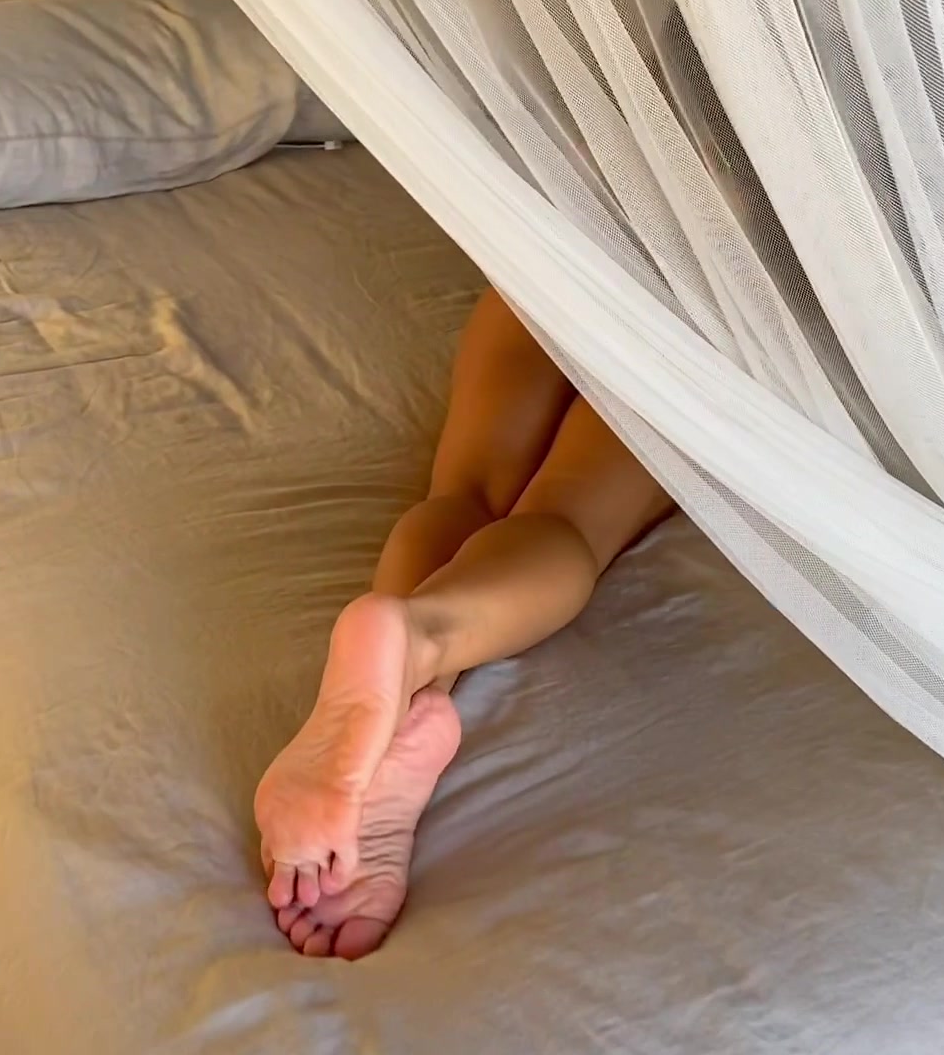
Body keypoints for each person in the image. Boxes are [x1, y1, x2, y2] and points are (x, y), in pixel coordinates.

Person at [254, 285, 674, 960]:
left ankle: (411, 663)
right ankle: (416, 642)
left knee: (466, 492)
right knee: (569, 516)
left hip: (549, 252)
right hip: (704, 298)